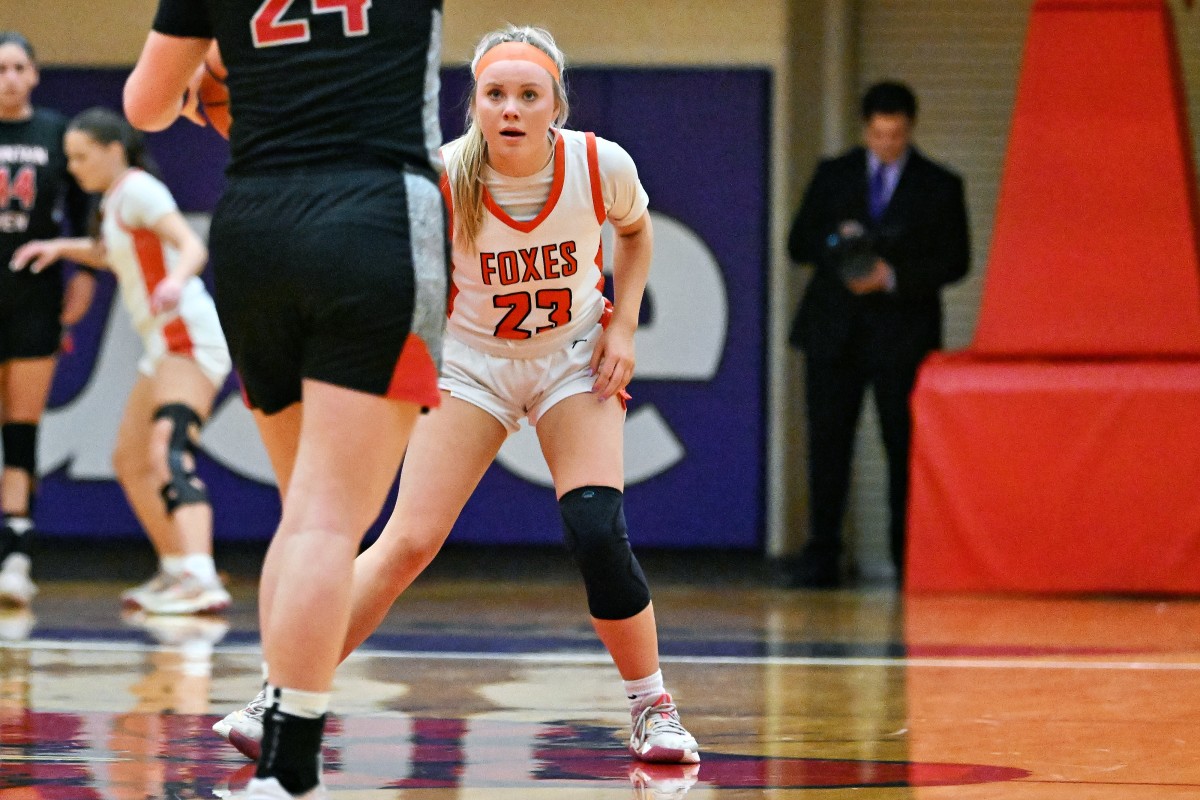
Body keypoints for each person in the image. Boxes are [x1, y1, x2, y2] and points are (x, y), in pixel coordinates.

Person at [212, 25, 700, 769]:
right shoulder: (440, 175)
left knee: (597, 530)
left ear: (555, 106)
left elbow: (635, 237)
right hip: (471, 366)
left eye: (528, 96)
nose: (510, 109)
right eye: (495, 95)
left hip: (571, 359)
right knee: (405, 542)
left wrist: (624, 325)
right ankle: (282, 694)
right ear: (474, 103)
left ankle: (652, 706)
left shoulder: (601, 164)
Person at [123, 0, 448, 796]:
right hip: (374, 212)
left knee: (305, 512)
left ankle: (276, 726)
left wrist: (214, 77)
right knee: (330, 519)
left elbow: (145, 106)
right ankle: (289, 768)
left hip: (255, 225)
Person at [11, 107, 232, 615]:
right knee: (130, 461)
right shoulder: (116, 201)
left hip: (187, 337)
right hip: (163, 346)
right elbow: (113, 253)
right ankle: (176, 570)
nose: (73, 168)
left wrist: (177, 281)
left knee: (168, 453)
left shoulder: (137, 190)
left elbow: (189, 244)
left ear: (114, 150)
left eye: (81, 156)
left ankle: (202, 576)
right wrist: (60, 247)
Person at [785, 81, 970, 589]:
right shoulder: (834, 175)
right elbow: (799, 242)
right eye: (879, 134)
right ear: (866, 128)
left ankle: (907, 559)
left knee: (903, 447)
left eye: (896, 135)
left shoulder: (939, 184)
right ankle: (822, 555)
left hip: (901, 334)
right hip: (834, 331)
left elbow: (957, 260)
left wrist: (890, 275)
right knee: (828, 446)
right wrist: (840, 248)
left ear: (910, 130)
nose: (887, 144)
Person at [0, 32, 95, 607]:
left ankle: (16, 555)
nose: (9, 77)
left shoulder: (56, 132)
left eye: (18, 67)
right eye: (1, 68)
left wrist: (83, 276)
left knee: (22, 426)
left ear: (35, 75)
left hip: (33, 293)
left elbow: (82, 213)